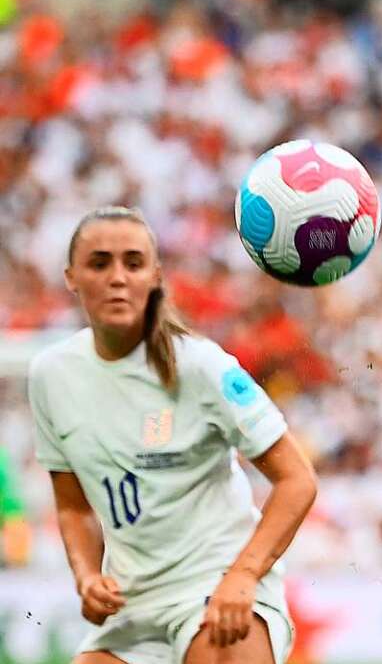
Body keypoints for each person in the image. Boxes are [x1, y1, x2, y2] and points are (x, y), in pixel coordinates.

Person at [28, 206, 318, 664]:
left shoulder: (203, 366)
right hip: (133, 608)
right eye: (99, 263)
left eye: (133, 262)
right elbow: (72, 504)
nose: (117, 277)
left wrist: (243, 576)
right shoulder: (50, 375)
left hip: (218, 587)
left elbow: (297, 480)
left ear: (155, 276)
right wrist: (86, 576)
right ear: (71, 277)